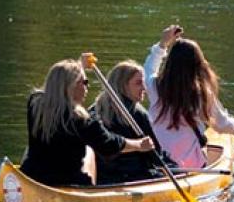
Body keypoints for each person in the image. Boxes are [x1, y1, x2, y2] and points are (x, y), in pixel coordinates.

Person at [20, 56, 156, 186]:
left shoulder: (35, 104)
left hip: (33, 176)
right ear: (72, 86)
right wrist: (139, 145)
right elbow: (109, 144)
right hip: (67, 181)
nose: (87, 87)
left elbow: (59, 82)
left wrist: (80, 66)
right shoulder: (82, 120)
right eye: (84, 82)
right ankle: (93, 188)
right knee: (90, 149)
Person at [144, 25, 234, 169]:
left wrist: (163, 43)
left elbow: (149, 69)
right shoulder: (202, 94)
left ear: (170, 62)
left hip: (157, 162)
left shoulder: (155, 86)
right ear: (197, 65)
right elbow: (222, 125)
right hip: (189, 165)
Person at [89, 60, 176, 184]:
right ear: (123, 85)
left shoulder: (93, 111)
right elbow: (154, 157)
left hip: (102, 177)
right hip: (136, 177)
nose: (144, 88)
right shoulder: (138, 113)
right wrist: (173, 166)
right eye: (138, 83)